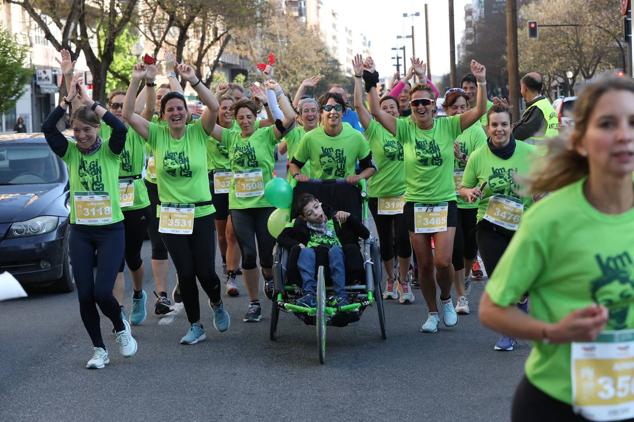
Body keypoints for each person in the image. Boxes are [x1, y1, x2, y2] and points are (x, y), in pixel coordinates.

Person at [479, 75, 634, 421]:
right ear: (580, 141)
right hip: (557, 403)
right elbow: (491, 308)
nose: (624, 135)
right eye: (608, 124)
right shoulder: (550, 219)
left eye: (633, 123)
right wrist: (551, 332)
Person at [367, 56, 488, 334]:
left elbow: (480, 109)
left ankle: (446, 299)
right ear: (410, 107)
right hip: (416, 204)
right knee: (423, 264)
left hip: (445, 202)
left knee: (443, 261)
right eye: (415, 103)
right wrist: (371, 79)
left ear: (434, 106)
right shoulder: (405, 128)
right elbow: (375, 110)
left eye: (425, 102)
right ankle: (432, 312)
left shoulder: (448, 126)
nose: (421, 107)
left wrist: (480, 81)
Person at [123, 62, 230, 345]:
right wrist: (137, 81)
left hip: (202, 212)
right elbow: (128, 114)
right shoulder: (156, 135)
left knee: (205, 271)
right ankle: (196, 325)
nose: (175, 112)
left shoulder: (198, 132)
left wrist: (193, 80)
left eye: (179, 108)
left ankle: (217, 302)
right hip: (170, 216)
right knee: (184, 272)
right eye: (169, 109)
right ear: (163, 115)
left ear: (186, 112)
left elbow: (214, 107)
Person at [42, 73, 137, 368]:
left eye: (87, 130)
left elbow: (119, 126)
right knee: (85, 296)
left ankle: (120, 326)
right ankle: (99, 349)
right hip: (81, 232)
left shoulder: (110, 151)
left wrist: (94, 104)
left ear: (97, 129)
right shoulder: (69, 153)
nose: (81, 136)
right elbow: (48, 127)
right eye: (77, 131)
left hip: (111, 231)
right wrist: (66, 102)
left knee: (101, 292)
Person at [210, 80, 297, 323]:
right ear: (235, 119)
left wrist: (271, 96)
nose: (245, 121)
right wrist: (216, 98)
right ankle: (254, 303)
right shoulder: (230, 137)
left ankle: (269, 279)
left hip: (265, 204)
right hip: (239, 206)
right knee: (248, 255)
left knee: (267, 257)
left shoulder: (265, 134)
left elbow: (288, 120)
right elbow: (207, 126)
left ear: (255, 117)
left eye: (249, 116)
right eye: (241, 117)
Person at [459, 104, 534, 351]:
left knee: (521, 281)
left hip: (523, 224)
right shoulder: (478, 156)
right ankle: (507, 331)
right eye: (494, 125)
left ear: (511, 126)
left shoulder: (528, 152)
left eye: (503, 124)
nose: (499, 129)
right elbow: (463, 187)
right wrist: (469, 192)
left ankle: (522, 300)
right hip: (489, 224)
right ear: (487, 128)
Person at [352, 54, 413, 304]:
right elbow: (360, 106)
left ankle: (404, 281)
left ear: (399, 112)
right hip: (379, 193)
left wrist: (413, 76)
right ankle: (390, 277)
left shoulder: (407, 128)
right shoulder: (374, 130)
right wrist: (363, 78)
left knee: (403, 238)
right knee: (386, 241)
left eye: (392, 108)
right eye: (384, 108)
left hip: (404, 194)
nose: (388, 111)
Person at [277, 193, 370, 307]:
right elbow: (281, 238)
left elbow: (365, 234)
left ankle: (340, 295)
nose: (316, 213)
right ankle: (309, 295)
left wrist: (350, 217)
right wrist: (297, 244)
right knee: (305, 251)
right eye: (309, 213)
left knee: (335, 250)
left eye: (316, 207)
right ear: (304, 217)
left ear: (319, 202)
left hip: (340, 266)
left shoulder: (337, 219)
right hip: (314, 267)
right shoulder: (300, 225)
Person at [444, 87, 487, 315]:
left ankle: (467, 275)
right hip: (449, 196)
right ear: (446, 110)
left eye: (463, 107)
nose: (459, 111)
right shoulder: (442, 129)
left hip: (471, 197)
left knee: (470, 248)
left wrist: (461, 156)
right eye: (454, 108)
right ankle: (461, 296)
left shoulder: (476, 131)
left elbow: (482, 162)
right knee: (456, 247)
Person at [288, 92, 376, 184]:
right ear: (321, 113)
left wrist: (359, 177)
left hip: (347, 189)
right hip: (319, 191)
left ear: (343, 112)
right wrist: (298, 175)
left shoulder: (356, 136)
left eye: (337, 108)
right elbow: (294, 164)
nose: (333, 112)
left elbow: (370, 168)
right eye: (328, 108)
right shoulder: (309, 137)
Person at [278, 96, 320, 182]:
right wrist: (278, 93)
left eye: (313, 110)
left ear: (319, 114)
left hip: (320, 186)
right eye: (306, 111)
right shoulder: (293, 133)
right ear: (300, 116)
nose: (310, 114)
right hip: (298, 186)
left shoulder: (326, 133)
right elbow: (289, 116)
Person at [513, 72, 559, 144]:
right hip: (551, 150)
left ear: (525, 88)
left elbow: (518, 134)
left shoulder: (537, 108)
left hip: (541, 153)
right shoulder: (544, 104)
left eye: (521, 87)